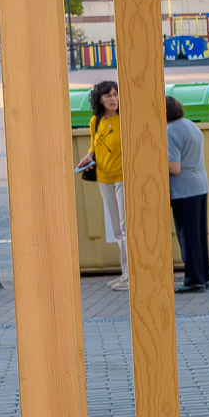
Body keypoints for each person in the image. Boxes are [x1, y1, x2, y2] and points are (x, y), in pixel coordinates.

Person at [77, 80, 128, 290]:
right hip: (104, 178)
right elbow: (94, 145)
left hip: (123, 178)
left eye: (115, 94)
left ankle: (130, 276)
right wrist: (88, 157)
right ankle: (125, 273)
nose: (113, 99)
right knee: (117, 229)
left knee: (126, 228)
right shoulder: (95, 121)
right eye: (108, 95)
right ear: (99, 99)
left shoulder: (124, 119)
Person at [165, 94, 209, 293]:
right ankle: (203, 275)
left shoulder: (170, 130)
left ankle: (193, 279)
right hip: (200, 184)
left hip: (183, 190)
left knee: (187, 236)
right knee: (199, 235)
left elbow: (174, 167)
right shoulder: (191, 125)